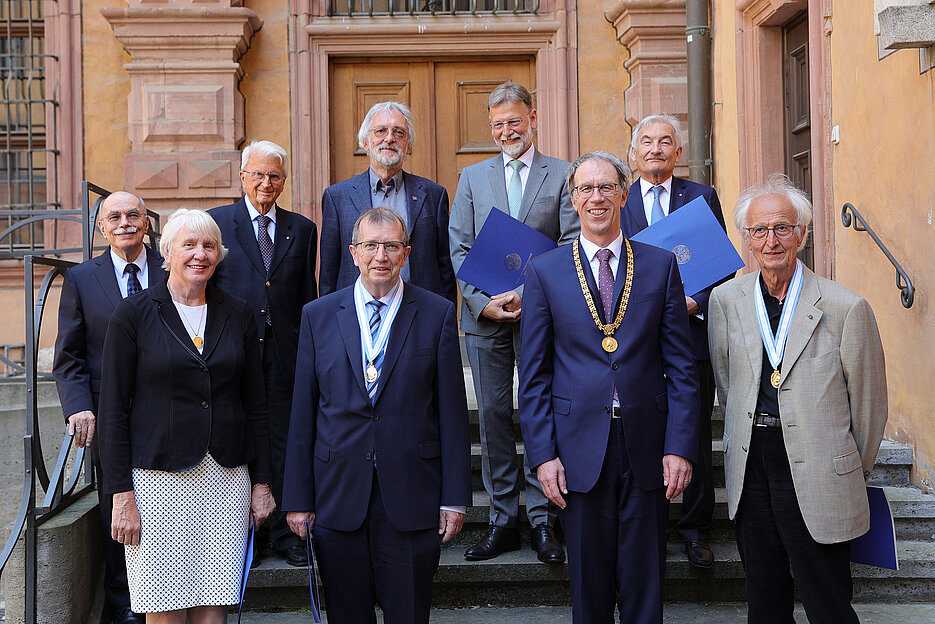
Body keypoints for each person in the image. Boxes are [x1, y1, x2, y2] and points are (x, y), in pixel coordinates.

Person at [519, 151, 699, 623]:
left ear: (623, 193)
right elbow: (534, 375)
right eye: (585, 189)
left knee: (646, 588)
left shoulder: (660, 266)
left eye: (605, 187)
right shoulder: (544, 271)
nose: (596, 197)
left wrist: (680, 447)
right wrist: (542, 455)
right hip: (576, 449)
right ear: (573, 199)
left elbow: (683, 368)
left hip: (647, 445)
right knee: (589, 590)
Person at [708, 174, 888, 623]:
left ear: (802, 234)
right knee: (764, 599)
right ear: (747, 240)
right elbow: (728, 385)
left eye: (783, 228)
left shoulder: (846, 307)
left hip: (817, 464)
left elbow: (868, 406)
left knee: (826, 598)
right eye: (760, 231)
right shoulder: (725, 300)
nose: (771, 240)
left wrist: (847, 467)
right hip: (753, 465)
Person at [282, 207, 471, 624]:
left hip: (411, 496)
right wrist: (298, 499)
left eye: (390, 246)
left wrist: (455, 497)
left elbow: (453, 415)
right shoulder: (318, 315)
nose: (380, 256)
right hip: (336, 497)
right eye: (370, 246)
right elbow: (302, 414)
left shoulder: (437, 313)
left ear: (406, 253)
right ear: (353, 253)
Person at [98, 209, 276, 624]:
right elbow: (112, 412)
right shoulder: (133, 315)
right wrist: (121, 495)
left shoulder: (239, 312)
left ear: (219, 254)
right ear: (166, 252)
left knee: (214, 610)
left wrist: (263, 482)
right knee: (162, 609)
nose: (200, 254)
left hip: (226, 479)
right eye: (189, 245)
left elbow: (258, 404)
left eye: (209, 245)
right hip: (155, 485)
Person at [449, 80, 578, 564]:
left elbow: (569, 244)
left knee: (541, 409)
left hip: (542, 316)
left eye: (515, 121)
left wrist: (524, 295)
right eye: (498, 124)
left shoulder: (563, 174)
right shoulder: (471, 178)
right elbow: (457, 247)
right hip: (484, 319)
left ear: (533, 118)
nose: (507, 131)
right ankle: (503, 520)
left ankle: (545, 519)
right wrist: (483, 301)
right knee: (495, 417)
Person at [52, 191, 166, 624]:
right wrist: (78, 407)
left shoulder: (171, 266)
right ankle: (124, 601)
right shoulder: (82, 277)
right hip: (106, 412)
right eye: (114, 216)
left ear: (147, 223)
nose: (125, 223)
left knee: (164, 502)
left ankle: (167, 595)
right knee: (116, 503)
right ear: (101, 227)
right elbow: (69, 355)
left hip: (165, 408)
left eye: (133, 215)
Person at [622, 113, 728, 568]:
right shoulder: (615, 200)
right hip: (633, 342)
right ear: (633, 152)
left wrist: (696, 302)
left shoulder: (701, 197)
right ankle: (653, 525)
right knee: (643, 433)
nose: (655, 149)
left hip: (691, 336)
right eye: (646, 142)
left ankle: (695, 529)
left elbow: (722, 262)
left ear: (678, 153)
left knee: (696, 434)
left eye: (665, 142)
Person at [208, 140, 318, 567]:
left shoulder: (302, 228)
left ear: (284, 181)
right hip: (233, 349)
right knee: (240, 436)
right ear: (242, 177)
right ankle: (243, 535)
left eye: (274, 176)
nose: (266, 183)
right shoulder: (218, 223)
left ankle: (286, 533)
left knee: (285, 436)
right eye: (257, 174)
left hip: (286, 351)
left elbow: (308, 295)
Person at [320, 101, 456, 303]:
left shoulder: (433, 195)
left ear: (408, 146)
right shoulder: (337, 196)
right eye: (381, 131)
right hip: (357, 316)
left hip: (420, 314)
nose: (390, 138)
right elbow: (329, 271)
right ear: (366, 143)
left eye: (399, 133)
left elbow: (445, 267)